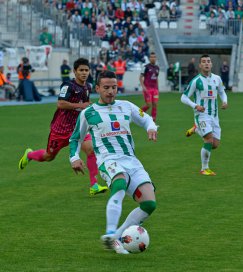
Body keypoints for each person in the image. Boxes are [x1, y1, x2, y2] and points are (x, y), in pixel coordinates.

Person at [69, 70, 158, 254]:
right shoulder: (88, 113)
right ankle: (109, 232)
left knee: (149, 204)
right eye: (106, 87)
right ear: (98, 88)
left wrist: (151, 128)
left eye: (114, 87)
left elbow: (146, 118)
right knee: (119, 181)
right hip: (108, 160)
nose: (111, 91)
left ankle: (116, 237)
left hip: (132, 161)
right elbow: (75, 138)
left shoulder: (126, 106)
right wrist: (75, 157)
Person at [18, 58, 108, 196]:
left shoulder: (88, 87)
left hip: (78, 128)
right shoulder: (68, 86)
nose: (84, 73)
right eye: (81, 70)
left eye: (86, 70)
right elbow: (60, 104)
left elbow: (84, 104)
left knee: (91, 150)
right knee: (48, 157)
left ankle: (94, 185)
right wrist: (80, 105)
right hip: (60, 130)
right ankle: (29, 154)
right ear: (75, 71)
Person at [180, 54, 228, 176]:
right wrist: (195, 106)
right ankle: (204, 168)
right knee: (208, 140)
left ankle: (196, 129)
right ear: (200, 65)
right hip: (202, 115)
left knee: (215, 144)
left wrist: (225, 101)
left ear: (211, 64)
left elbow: (222, 92)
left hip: (215, 115)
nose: (206, 63)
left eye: (208, 61)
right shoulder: (196, 81)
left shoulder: (217, 79)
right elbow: (183, 97)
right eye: (204, 62)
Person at [140, 52, 159, 122]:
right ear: (149, 58)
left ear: (156, 58)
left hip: (155, 89)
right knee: (148, 105)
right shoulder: (146, 67)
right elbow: (140, 77)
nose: (153, 58)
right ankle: (139, 113)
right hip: (147, 89)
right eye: (151, 57)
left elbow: (156, 78)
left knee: (155, 104)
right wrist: (143, 87)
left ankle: (153, 120)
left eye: (154, 57)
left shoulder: (157, 68)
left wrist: (157, 88)